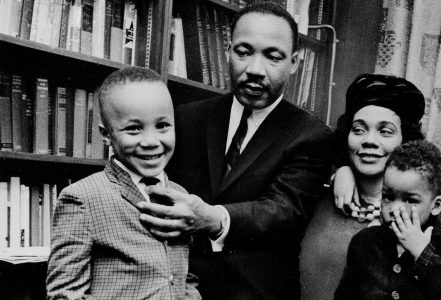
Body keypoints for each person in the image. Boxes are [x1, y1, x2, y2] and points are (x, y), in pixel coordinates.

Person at [135, 2, 334, 300]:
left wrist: (214, 219)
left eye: (272, 56)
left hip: (255, 292)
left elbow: (283, 210)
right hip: (173, 287)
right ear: (228, 50)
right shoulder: (185, 118)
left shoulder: (312, 135)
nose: (254, 69)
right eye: (243, 52)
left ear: (294, 62)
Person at [299, 74, 441, 300]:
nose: (369, 140)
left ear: (405, 139)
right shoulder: (321, 191)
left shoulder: (438, 206)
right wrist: (340, 170)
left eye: (385, 131)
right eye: (358, 129)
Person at [46, 67, 200, 299]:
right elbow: (63, 296)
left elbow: (182, 275)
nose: (151, 141)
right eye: (133, 129)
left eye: (162, 126)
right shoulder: (81, 198)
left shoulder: (179, 195)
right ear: (106, 134)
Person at [335, 140, 441, 300]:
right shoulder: (364, 241)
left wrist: (423, 253)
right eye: (388, 197)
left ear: (436, 205)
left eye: (410, 200)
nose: (394, 209)